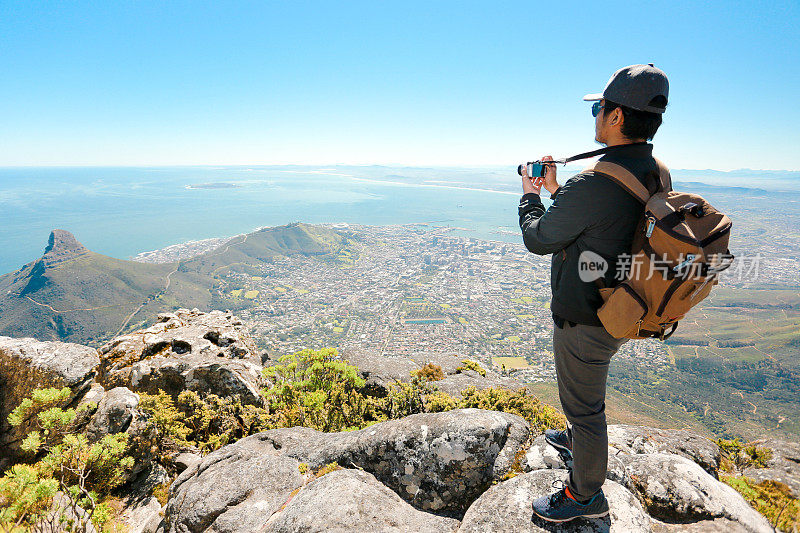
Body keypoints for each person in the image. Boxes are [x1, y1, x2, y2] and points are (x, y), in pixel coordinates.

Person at [518, 64, 669, 522]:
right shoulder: (654, 168)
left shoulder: (594, 181)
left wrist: (532, 196)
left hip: (586, 315)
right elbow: (610, 220)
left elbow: (540, 237)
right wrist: (562, 191)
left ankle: (584, 497)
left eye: (599, 108)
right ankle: (579, 441)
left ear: (618, 116)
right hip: (625, 301)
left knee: (585, 409)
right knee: (584, 400)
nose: (596, 117)